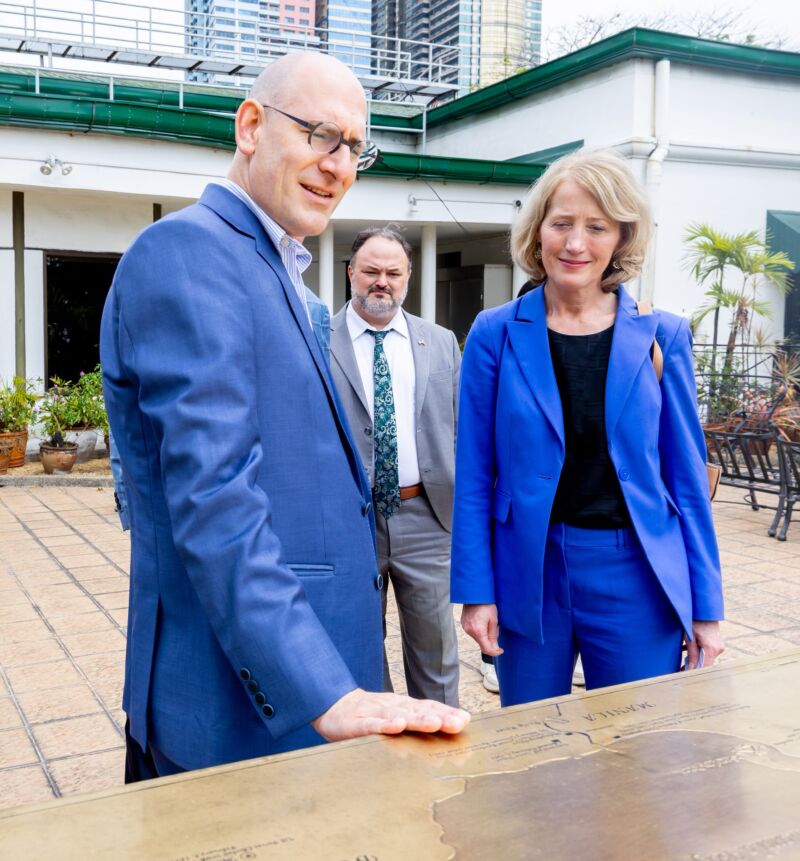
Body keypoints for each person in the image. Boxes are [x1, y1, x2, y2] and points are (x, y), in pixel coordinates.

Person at [100, 52, 469, 780]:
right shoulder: (189, 253)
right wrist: (321, 688)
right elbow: (214, 497)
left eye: (356, 148)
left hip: (308, 681)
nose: (340, 165)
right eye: (320, 135)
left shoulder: (282, 277)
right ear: (250, 127)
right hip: (238, 703)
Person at [451, 149, 724, 706]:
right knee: (534, 740)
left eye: (596, 227)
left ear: (621, 238)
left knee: (635, 742)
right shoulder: (494, 333)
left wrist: (706, 607)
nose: (575, 243)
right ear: (538, 231)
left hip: (636, 571)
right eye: (562, 223)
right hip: (529, 570)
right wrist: (476, 592)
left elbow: (687, 480)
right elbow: (475, 472)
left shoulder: (663, 335)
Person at [330, 227, 461, 706]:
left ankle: (440, 736)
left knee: (437, 652)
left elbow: (460, 427)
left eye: (393, 272)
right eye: (371, 271)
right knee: (360, 649)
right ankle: (380, 741)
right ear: (351, 273)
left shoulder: (440, 342)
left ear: (408, 277)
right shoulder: (318, 340)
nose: (381, 281)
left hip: (426, 516)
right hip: (351, 520)